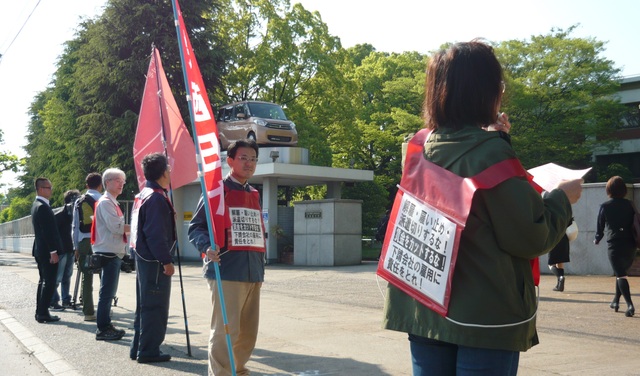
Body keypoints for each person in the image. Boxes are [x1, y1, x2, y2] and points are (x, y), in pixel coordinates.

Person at [382, 40, 583, 376]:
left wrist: (494, 138)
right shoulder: (492, 154)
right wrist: (562, 198)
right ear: (486, 93)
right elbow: (531, 236)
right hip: (484, 320)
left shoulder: (417, 148)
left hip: (423, 309)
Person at [188, 139, 266, 376]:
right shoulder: (216, 191)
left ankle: (238, 371)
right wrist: (206, 247)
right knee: (225, 332)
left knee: (247, 333)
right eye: (243, 158)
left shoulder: (253, 192)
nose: (249, 163)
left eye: (253, 159)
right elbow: (196, 227)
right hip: (227, 270)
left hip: (253, 271)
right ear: (230, 160)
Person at [129, 153, 175, 363]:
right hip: (154, 261)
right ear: (163, 172)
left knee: (145, 305)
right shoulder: (155, 197)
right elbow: (155, 233)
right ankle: (148, 350)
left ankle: (139, 347)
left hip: (143, 258)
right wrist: (166, 260)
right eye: (168, 168)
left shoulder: (144, 194)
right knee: (155, 307)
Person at [92, 168, 130, 340]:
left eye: (123, 180)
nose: (121, 183)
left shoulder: (111, 201)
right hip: (108, 253)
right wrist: (139, 227)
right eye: (117, 180)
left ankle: (105, 325)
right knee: (107, 292)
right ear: (107, 182)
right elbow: (117, 227)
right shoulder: (106, 202)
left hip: (111, 252)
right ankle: (103, 328)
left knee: (108, 292)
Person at [594, 176, 636, 317]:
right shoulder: (630, 204)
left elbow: (600, 226)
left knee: (621, 275)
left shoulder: (605, 206)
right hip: (630, 244)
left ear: (609, 190)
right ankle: (616, 301)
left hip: (615, 244)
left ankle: (630, 305)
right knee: (620, 274)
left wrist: (597, 238)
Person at [31, 177, 64, 323]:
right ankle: (43, 313)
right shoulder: (42, 207)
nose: (51, 190)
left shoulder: (37, 204)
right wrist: (53, 252)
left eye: (50, 187)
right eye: (48, 187)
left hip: (40, 250)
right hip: (47, 252)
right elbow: (47, 232)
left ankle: (40, 311)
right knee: (49, 282)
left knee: (44, 281)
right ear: (40, 189)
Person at [72, 172, 103, 321]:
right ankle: (104, 310)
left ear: (86, 185)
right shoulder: (104, 200)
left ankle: (88, 312)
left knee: (87, 276)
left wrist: (76, 246)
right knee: (106, 276)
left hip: (84, 242)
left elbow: (75, 226)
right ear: (100, 185)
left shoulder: (79, 201)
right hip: (102, 242)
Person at [50, 189, 80, 310]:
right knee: (57, 277)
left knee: (67, 276)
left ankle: (66, 299)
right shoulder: (58, 216)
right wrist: (54, 251)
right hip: (61, 251)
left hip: (70, 249)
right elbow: (53, 235)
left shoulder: (75, 216)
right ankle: (53, 300)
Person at [547, 218, 575, 292]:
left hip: (554, 238)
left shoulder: (552, 212)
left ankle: (560, 277)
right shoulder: (565, 211)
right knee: (560, 261)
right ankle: (559, 285)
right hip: (564, 238)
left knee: (550, 264)